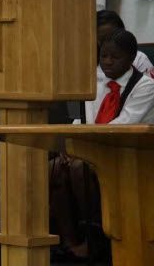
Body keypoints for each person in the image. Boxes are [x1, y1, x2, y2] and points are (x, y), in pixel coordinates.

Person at [51, 28, 154, 260]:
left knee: (80, 169)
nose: (107, 62)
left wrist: (83, 148)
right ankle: (71, 243)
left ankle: (99, 238)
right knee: (55, 168)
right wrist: (70, 143)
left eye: (115, 57)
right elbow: (82, 118)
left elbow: (122, 126)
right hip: (92, 148)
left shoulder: (145, 86)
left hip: (128, 155)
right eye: (103, 56)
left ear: (130, 59)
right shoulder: (93, 82)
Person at [96, 9, 153, 76]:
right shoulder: (88, 59)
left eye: (113, 35)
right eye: (102, 39)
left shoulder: (139, 59)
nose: (108, 62)